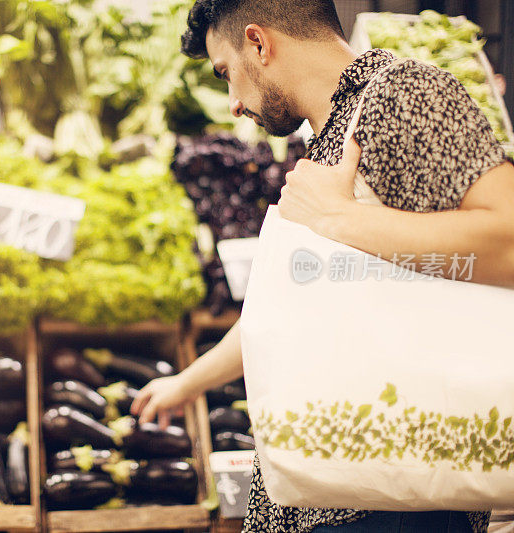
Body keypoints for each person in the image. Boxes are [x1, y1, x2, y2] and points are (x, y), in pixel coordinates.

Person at [130, 0, 514, 532]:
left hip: (392, 501)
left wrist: (337, 216)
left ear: (259, 44)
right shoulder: (328, 138)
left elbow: (509, 238)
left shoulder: (401, 94)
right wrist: (188, 384)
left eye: (226, 74)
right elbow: (302, 303)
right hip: (337, 488)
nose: (233, 103)